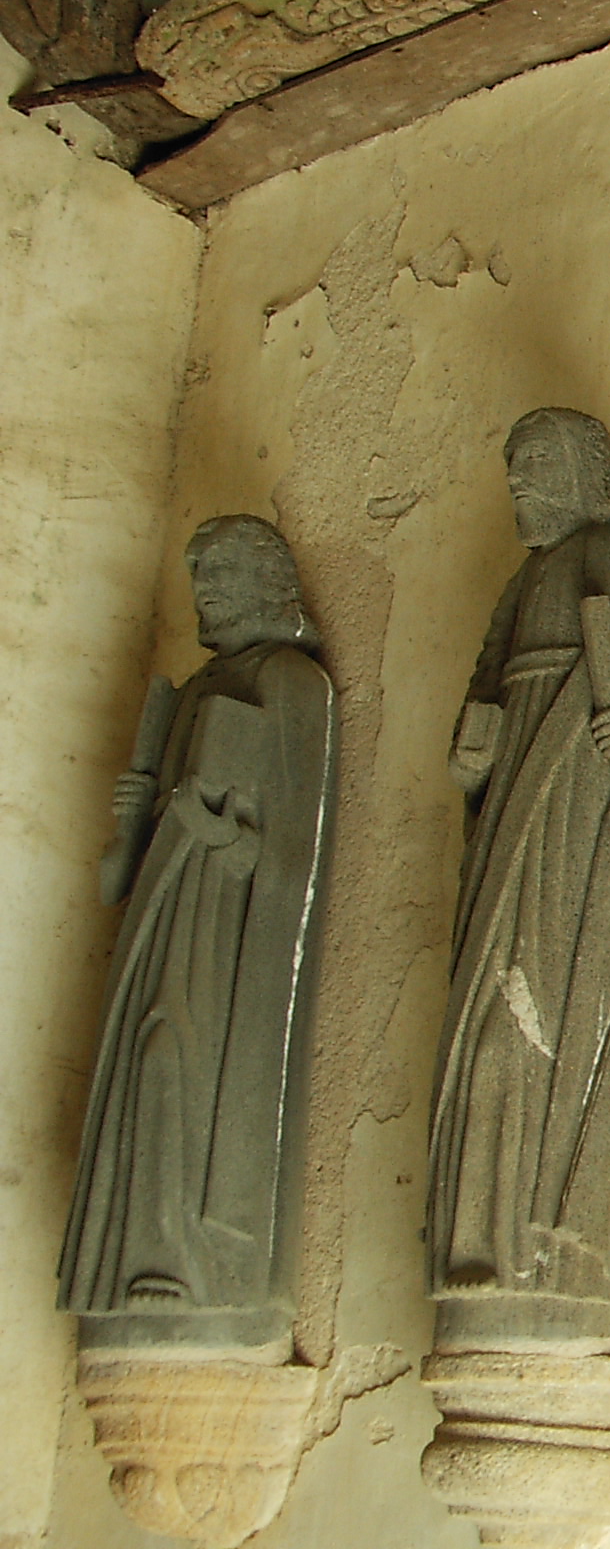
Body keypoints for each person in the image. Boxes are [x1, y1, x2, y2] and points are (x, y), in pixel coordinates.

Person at [428, 408, 610, 1353]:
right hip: (517, 813)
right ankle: (482, 1241)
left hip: (581, 830)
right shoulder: (523, 583)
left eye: (537, 468)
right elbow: (483, 694)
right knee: (489, 1027)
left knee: (556, 1017)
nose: (520, 488)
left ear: (589, 472)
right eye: (515, 472)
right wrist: (475, 756)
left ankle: (555, 1248)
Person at [61, 516, 335, 1353]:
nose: (206, 592)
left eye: (221, 573)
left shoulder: (293, 683)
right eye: (199, 576)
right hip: (163, 920)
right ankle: (137, 1260)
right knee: (147, 1075)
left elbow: (294, 850)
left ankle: (190, 1258)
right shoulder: (187, 695)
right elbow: (115, 880)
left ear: (267, 580)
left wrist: (222, 838)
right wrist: (134, 819)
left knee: (179, 1067)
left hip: (227, 935)